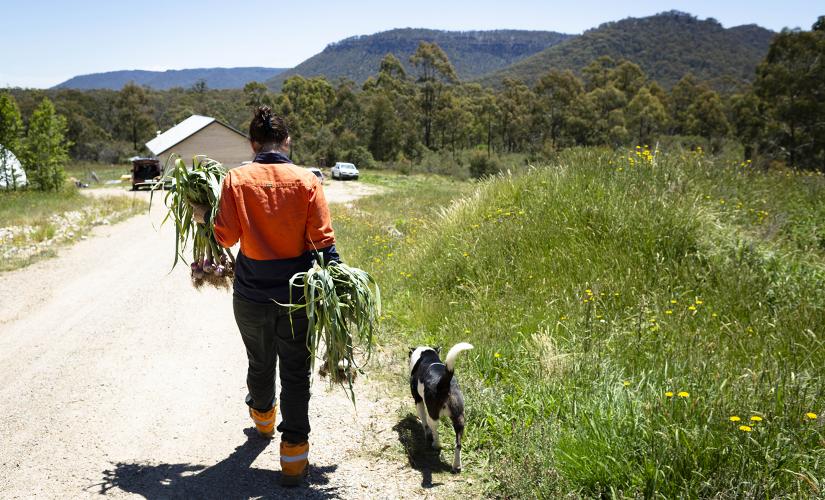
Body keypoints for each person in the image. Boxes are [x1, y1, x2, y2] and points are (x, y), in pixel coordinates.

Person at [193, 106, 339, 486]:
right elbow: (323, 243)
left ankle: (263, 421)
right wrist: (340, 280)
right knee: (294, 373)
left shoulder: (236, 180)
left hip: (252, 295)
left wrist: (204, 217)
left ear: (253, 144)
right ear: (286, 142)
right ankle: (293, 458)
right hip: (297, 297)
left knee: (260, 363)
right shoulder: (307, 181)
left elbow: (224, 237)